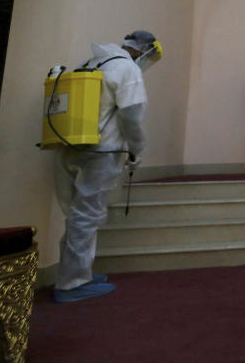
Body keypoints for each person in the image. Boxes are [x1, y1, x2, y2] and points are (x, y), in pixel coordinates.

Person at [53, 30, 162, 303]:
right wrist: (137, 150)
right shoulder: (126, 68)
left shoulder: (92, 63)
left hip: (71, 146)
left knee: (77, 213)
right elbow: (132, 115)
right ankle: (72, 283)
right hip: (103, 150)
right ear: (144, 51)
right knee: (86, 215)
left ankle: (79, 273)